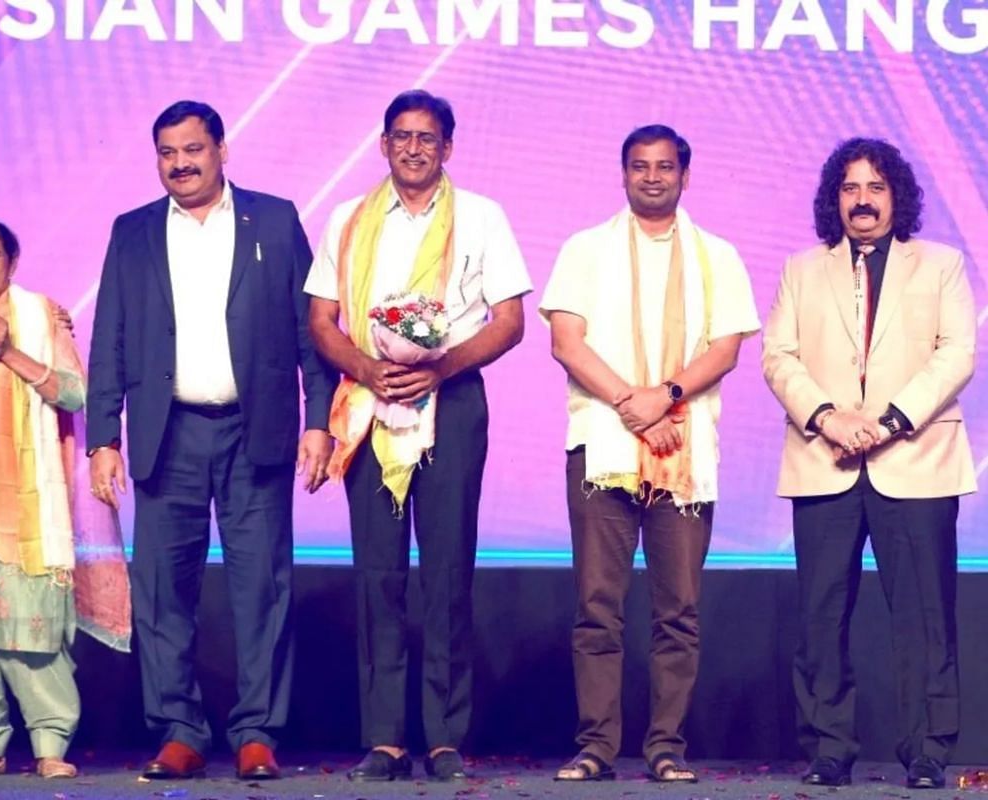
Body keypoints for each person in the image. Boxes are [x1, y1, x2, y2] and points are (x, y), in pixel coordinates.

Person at [86, 100, 334, 781]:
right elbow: (109, 337)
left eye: (193, 149)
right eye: (167, 152)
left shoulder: (275, 220)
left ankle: (257, 733)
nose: (180, 163)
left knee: (262, 588)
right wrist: (102, 435)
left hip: (257, 433)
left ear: (222, 150)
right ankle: (180, 730)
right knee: (163, 591)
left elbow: (310, 331)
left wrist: (321, 421)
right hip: (169, 435)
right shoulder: (132, 231)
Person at [305, 90, 531, 783]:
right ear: (383, 144)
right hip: (369, 406)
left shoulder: (482, 217)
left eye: (427, 138)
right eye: (400, 136)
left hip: (453, 401)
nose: (412, 148)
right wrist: (370, 368)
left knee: (447, 573)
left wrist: (440, 367)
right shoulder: (348, 218)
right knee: (378, 577)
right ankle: (385, 738)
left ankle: (443, 737)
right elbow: (321, 320)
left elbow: (510, 320)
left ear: (447, 148)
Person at [540, 125, 759, 783]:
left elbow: (724, 350)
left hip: (684, 453)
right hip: (601, 445)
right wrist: (631, 404)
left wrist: (662, 397)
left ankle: (667, 746)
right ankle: (597, 747)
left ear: (685, 175)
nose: (653, 177)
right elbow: (565, 342)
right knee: (597, 607)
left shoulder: (716, 255)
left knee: (678, 611)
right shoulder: (586, 248)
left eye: (665, 167)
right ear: (624, 173)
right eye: (640, 166)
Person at [762, 138, 977, 791]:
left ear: (897, 197)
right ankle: (830, 748)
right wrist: (828, 417)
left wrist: (886, 423)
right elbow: (779, 356)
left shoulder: (941, 265)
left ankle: (927, 751)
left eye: (875, 187)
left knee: (924, 616)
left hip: (915, 458)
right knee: (821, 617)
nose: (862, 199)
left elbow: (956, 353)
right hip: (824, 457)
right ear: (836, 200)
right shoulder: (803, 269)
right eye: (850, 187)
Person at [0, 218, 130, 779]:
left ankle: (50, 745)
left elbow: (74, 391)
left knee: (29, 616)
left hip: (28, 492)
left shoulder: (39, 316)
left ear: (12, 263)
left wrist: (11, 351)